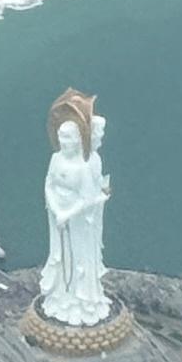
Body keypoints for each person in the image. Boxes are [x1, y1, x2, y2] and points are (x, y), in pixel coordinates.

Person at [40, 88, 112, 325]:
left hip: (78, 219)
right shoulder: (55, 159)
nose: (63, 141)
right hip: (58, 213)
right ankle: (61, 297)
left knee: (79, 258)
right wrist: (56, 209)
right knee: (60, 256)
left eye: (69, 137)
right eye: (61, 136)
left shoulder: (84, 166)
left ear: (80, 138)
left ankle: (82, 300)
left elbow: (87, 198)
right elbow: (48, 184)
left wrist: (67, 213)